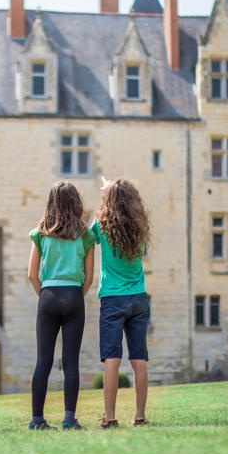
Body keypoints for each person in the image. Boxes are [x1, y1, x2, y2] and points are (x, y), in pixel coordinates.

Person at [27, 181, 96, 430]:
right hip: (74, 294)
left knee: (43, 361)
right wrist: (77, 294)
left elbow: (31, 275)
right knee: (70, 361)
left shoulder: (41, 232)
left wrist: (44, 295)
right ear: (76, 203)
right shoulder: (85, 234)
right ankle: (69, 418)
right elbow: (89, 277)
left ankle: (37, 419)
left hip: (48, 294)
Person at [91, 178, 151, 428]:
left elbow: (86, 236)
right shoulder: (140, 225)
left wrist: (105, 192)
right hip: (138, 296)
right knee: (139, 359)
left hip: (112, 299)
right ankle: (139, 416)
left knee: (111, 358)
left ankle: (110, 417)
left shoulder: (101, 226)